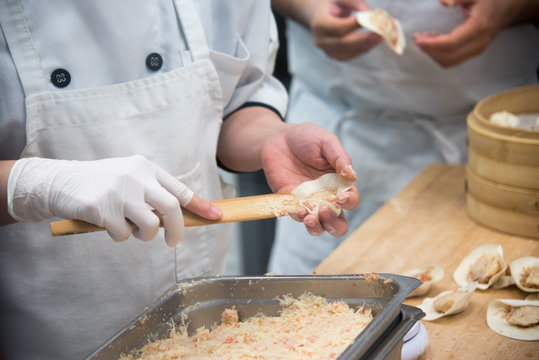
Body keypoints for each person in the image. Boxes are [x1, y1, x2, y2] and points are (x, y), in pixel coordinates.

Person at [0, 1, 359, 359]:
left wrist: (271, 139)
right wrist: (39, 185)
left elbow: (234, 101)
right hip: (46, 326)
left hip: (206, 323)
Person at [268, 0, 539, 275]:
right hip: (330, 137)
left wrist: (511, 7)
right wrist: (307, 7)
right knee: (313, 300)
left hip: (498, 141)